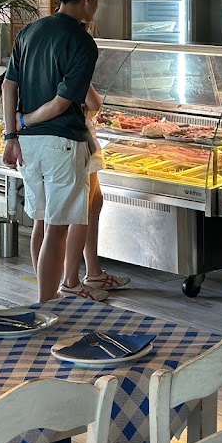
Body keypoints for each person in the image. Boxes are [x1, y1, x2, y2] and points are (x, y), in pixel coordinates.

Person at [2, 0, 101, 303]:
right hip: (61, 144)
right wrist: (26, 121)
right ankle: (46, 307)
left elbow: (8, 85)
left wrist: (11, 134)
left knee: (41, 224)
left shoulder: (29, 32)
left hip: (29, 147)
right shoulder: (83, 43)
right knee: (57, 231)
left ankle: (47, 299)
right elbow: (61, 103)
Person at [61, 83, 131, 294]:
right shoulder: (74, 62)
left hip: (77, 138)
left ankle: (93, 272)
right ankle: (70, 282)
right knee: (81, 210)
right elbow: (94, 102)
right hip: (76, 138)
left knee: (94, 202)